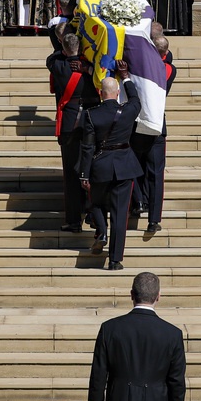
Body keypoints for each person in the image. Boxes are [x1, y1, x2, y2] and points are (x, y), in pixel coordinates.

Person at [87, 271, 185, 401]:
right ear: (158, 296)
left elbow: (98, 375)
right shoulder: (172, 334)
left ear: (132, 295)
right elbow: (176, 381)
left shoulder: (110, 329)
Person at [80, 64, 143, 271]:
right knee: (120, 214)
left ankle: (102, 231)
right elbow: (135, 100)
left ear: (100, 93)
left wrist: (84, 173)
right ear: (117, 94)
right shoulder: (127, 110)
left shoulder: (91, 114)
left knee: (96, 203)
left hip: (101, 166)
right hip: (125, 166)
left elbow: (88, 146)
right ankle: (115, 260)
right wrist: (126, 78)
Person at [47, 32, 98, 232]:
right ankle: (93, 212)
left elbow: (50, 58)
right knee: (92, 169)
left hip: (70, 123)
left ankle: (74, 220)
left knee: (71, 172)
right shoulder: (93, 69)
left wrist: (64, 46)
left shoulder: (59, 66)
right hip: (92, 121)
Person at [130, 35, 177, 233]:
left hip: (140, 123)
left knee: (134, 167)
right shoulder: (168, 68)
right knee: (155, 174)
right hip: (156, 125)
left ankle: (139, 201)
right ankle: (153, 217)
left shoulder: (142, 68)